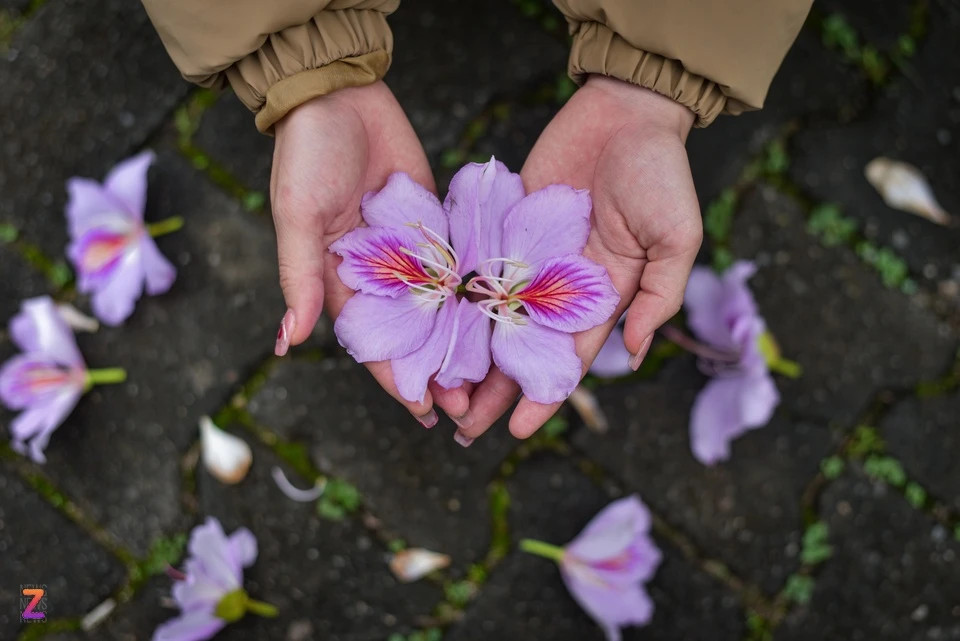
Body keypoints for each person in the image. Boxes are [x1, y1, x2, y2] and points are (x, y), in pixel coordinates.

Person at [142, 0, 812, 444]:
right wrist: (297, 49)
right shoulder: (462, 276)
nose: (479, 289)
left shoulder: (484, 272)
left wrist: (660, 76)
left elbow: (483, 229)